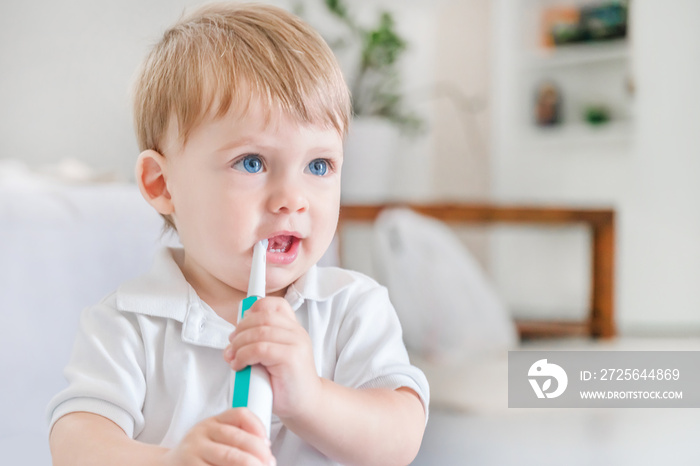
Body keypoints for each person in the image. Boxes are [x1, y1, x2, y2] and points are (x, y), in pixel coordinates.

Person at [47, 3, 429, 465]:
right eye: (252, 162)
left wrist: (308, 397)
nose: (292, 198)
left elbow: (400, 439)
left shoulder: (351, 310)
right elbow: (75, 444)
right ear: (162, 185)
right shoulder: (128, 325)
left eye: (319, 165)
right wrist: (168, 463)